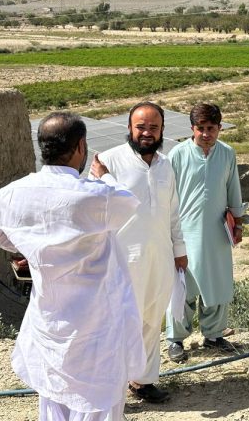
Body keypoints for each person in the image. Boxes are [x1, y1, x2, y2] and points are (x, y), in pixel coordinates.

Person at [0, 111, 145, 421]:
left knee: (54, 396)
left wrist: (27, 245)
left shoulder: (13, 193)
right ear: (81, 146)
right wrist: (103, 175)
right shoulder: (93, 196)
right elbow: (129, 202)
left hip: (50, 318)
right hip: (96, 323)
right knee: (100, 400)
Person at [90, 101, 188, 404]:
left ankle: (142, 381)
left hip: (158, 257)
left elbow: (173, 212)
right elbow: (93, 211)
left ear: (162, 130)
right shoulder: (108, 161)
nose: (147, 133)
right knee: (117, 324)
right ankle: (109, 389)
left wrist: (179, 250)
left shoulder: (166, 164)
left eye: (153, 127)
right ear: (130, 128)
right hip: (120, 261)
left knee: (150, 319)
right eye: (141, 127)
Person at [165, 102, 244, 362]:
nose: (206, 134)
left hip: (217, 231)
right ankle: (176, 340)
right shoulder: (177, 154)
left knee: (217, 284)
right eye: (201, 128)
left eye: (211, 128)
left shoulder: (227, 154)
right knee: (183, 287)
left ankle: (213, 335)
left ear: (220, 128)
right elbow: (169, 195)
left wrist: (238, 222)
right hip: (185, 232)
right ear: (192, 129)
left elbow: (233, 188)